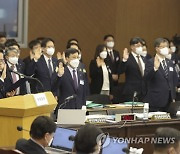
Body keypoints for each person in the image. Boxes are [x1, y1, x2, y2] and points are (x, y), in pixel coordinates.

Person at [144, 38, 177, 112]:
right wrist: (155, 68)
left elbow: (173, 80)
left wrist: (173, 96)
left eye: (167, 46)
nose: (165, 49)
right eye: (163, 47)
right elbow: (146, 78)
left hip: (170, 100)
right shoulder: (150, 62)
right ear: (157, 48)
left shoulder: (170, 62)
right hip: (156, 100)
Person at [54, 48, 88, 114]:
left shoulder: (81, 73)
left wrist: (84, 104)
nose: (76, 60)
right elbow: (54, 88)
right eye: (73, 57)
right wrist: (59, 76)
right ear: (67, 59)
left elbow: (83, 90)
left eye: (77, 57)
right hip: (65, 108)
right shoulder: (62, 71)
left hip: (78, 108)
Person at [118, 37, 146, 102]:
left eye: (141, 46)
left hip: (143, 91)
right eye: (138, 46)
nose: (140, 47)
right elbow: (120, 71)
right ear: (132, 47)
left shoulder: (143, 58)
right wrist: (124, 60)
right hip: (131, 92)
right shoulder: (128, 58)